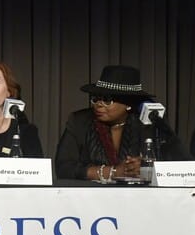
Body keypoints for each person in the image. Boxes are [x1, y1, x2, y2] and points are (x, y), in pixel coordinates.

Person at [54, 64, 186, 181]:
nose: (98, 105)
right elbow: (63, 168)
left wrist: (150, 168)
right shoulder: (80, 121)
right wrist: (113, 172)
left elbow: (181, 166)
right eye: (95, 98)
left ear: (128, 104)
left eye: (107, 100)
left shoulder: (149, 122)